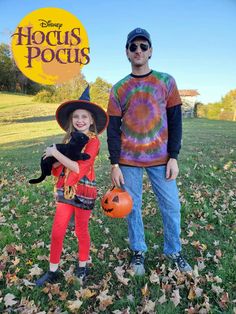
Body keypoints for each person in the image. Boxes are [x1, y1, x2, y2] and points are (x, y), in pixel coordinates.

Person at [107, 28, 192, 275]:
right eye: (133, 47)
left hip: (161, 159)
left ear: (151, 51)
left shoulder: (166, 82)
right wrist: (114, 163)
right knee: (132, 207)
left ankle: (174, 251)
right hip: (128, 160)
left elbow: (176, 121)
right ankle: (138, 252)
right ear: (127, 52)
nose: (138, 51)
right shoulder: (119, 88)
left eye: (143, 46)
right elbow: (112, 128)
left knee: (172, 206)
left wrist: (174, 156)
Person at [35, 86, 108, 286]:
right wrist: (53, 160)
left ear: (91, 120)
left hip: (84, 191)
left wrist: (55, 153)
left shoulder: (93, 143)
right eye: (76, 116)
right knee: (57, 231)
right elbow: (59, 169)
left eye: (85, 116)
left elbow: (78, 168)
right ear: (71, 119)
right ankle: (52, 271)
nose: (80, 120)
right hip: (65, 190)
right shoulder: (68, 140)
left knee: (81, 230)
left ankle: (82, 265)